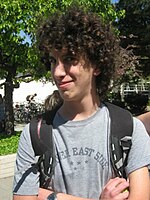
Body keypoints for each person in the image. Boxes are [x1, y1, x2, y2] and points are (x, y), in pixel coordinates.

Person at [13, 4, 150, 200]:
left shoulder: (129, 130)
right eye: (53, 61)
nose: (58, 72)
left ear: (97, 65)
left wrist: (47, 196)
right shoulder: (35, 133)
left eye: (70, 58)